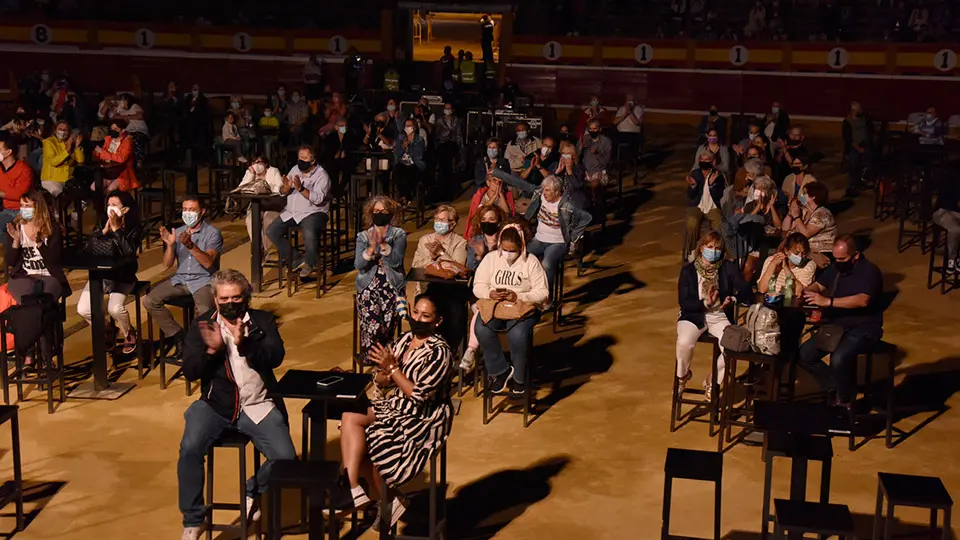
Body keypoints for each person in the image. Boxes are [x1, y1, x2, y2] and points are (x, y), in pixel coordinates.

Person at [178, 269, 294, 540]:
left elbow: (275, 356)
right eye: (225, 298)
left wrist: (245, 344)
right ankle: (194, 519)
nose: (231, 303)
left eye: (236, 297)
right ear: (216, 300)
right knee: (190, 448)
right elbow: (190, 371)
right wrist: (211, 351)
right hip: (215, 405)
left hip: (258, 404)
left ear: (246, 297)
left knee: (286, 458)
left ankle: (253, 489)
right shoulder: (202, 326)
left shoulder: (262, 321)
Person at [337, 292, 453, 529]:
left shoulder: (440, 352)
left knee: (372, 441)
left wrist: (392, 369)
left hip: (423, 417)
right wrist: (382, 373)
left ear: (437, 321)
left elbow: (418, 395)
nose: (418, 319)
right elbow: (385, 378)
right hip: (398, 406)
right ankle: (352, 488)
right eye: (416, 313)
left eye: (426, 316)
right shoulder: (406, 339)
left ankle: (389, 499)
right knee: (350, 417)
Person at [798, 236, 884, 408]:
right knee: (805, 355)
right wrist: (809, 291)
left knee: (839, 358)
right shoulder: (835, 268)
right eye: (835, 258)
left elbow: (862, 300)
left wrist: (828, 302)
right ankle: (837, 389)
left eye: (842, 258)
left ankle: (843, 400)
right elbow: (819, 285)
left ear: (856, 255)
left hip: (863, 327)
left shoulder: (870, 271)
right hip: (838, 326)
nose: (838, 262)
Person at [494, 171, 592, 305]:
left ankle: (547, 297)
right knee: (519, 255)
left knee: (546, 264)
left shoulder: (567, 205)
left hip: (558, 243)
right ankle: (523, 292)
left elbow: (586, 217)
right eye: (544, 189)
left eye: (548, 190)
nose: (544, 193)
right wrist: (497, 173)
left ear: (557, 191)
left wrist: (574, 236)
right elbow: (521, 183)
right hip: (539, 239)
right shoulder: (540, 194)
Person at [472, 225, 549, 395]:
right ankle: (500, 371)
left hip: (523, 307)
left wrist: (519, 296)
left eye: (512, 250)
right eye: (504, 249)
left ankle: (519, 378)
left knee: (517, 334)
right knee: (481, 328)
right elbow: (478, 285)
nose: (508, 253)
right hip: (497, 305)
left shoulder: (531, 262)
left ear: (521, 247)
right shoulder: (491, 259)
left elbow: (543, 292)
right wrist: (489, 293)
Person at [675, 232, 752, 399]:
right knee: (684, 342)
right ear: (702, 248)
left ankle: (712, 381)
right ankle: (683, 376)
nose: (713, 251)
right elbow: (684, 302)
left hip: (719, 316)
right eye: (710, 247)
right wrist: (704, 304)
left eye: (717, 248)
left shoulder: (728, 268)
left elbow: (746, 289)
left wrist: (734, 298)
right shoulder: (688, 271)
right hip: (693, 314)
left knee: (731, 347)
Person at [145, 195, 223, 353]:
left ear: (201, 212)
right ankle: (178, 335)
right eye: (185, 210)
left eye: (192, 210)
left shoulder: (212, 233)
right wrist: (170, 246)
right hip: (181, 279)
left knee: (204, 311)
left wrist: (190, 245)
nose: (187, 213)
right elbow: (166, 264)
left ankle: (197, 347)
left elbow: (208, 262)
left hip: (204, 280)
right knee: (150, 300)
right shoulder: (178, 232)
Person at [77, 191, 141, 354]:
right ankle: (108, 330)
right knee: (83, 309)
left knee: (115, 308)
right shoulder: (101, 223)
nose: (111, 209)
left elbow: (129, 252)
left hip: (123, 277)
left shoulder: (134, 228)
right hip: (101, 276)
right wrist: (103, 232)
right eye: (109, 205)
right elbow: (87, 249)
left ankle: (129, 332)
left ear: (125, 209)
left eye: (115, 205)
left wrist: (117, 230)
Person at [355, 196, 407, 364]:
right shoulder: (363, 236)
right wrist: (370, 249)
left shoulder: (399, 234)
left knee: (386, 324)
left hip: (391, 285)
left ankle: (384, 356)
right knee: (373, 323)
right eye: (376, 211)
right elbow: (359, 265)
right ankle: (375, 356)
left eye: (383, 211)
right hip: (368, 286)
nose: (379, 214)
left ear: (391, 214)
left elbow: (396, 261)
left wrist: (384, 245)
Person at [266, 146, 331, 280]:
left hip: (314, 212)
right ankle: (296, 259)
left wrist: (301, 188)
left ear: (313, 161)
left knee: (308, 230)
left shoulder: (322, 176)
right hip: (292, 212)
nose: (301, 161)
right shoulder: (295, 169)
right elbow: (284, 191)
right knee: (272, 231)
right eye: (299, 157)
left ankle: (310, 262)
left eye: (304, 158)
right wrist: (285, 188)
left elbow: (318, 199)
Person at [460, 204, 506, 371]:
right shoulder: (475, 241)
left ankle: (472, 350)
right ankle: (474, 352)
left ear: (499, 222)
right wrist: (479, 256)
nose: (488, 223)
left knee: (484, 314)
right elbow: (471, 269)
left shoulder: (506, 240)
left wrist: (487, 254)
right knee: (481, 311)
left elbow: (504, 267)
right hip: (479, 290)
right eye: (484, 220)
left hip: (501, 289)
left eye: (492, 219)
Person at [3, 191, 69, 303]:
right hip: (24, 275)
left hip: (49, 275)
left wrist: (40, 243)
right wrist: (16, 241)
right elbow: (11, 261)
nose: (24, 209)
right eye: (22, 205)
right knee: (28, 301)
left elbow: (55, 260)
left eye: (28, 206)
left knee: (44, 302)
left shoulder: (52, 228)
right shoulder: (16, 227)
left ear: (38, 207)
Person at [684, 149, 727, 258]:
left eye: (707, 160)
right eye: (702, 159)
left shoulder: (718, 175)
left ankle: (719, 252)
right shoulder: (695, 174)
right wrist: (693, 186)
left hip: (712, 206)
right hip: (697, 206)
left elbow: (719, 196)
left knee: (719, 224)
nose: (704, 161)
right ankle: (692, 250)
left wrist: (711, 185)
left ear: (712, 162)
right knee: (692, 223)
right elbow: (690, 195)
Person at [236, 155, 284, 250]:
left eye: (260, 162)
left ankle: (266, 250)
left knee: (268, 221)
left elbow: (279, 188)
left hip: (272, 205)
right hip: (257, 206)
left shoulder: (273, 171)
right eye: (254, 162)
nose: (257, 165)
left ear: (266, 164)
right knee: (251, 221)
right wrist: (251, 175)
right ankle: (257, 248)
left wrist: (266, 187)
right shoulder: (249, 172)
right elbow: (241, 188)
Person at [783, 181, 835, 266]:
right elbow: (786, 230)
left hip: (820, 254)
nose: (802, 196)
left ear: (813, 197)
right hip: (804, 251)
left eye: (804, 193)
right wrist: (791, 213)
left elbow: (805, 234)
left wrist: (796, 216)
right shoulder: (807, 212)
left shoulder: (822, 213)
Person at [466, 162, 515, 239]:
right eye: (494, 180)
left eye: (500, 182)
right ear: (488, 182)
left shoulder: (506, 195)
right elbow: (480, 212)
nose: (497, 184)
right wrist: (494, 197)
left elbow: (507, 215)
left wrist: (501, 195)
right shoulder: (480, 195)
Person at [0, 134, 35, 236]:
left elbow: (19, 194)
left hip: (23, 210)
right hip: (6, 210)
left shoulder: (24, 170)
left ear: (9, 152)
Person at [40, 121, 84, 198]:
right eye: (60, 129)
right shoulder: (48, 142)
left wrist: (77, 146)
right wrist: (67, 150)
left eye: (65, 129)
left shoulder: (70, 142)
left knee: (81, 195)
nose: (63, 131)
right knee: (60, 197)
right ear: (55, 130)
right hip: (52, 179)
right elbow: (54, 162)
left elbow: (80, 161)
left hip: (67, 179)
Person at [94, 118, 139, 193]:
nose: (113, 131)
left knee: (110, 189)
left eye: (116, 129)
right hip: (108, 171)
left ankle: (111, 203)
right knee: (95, 187)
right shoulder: (108, 139)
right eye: (112, 128)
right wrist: (97, 152)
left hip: (122, 172)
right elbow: (101, 156)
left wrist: (103, 153)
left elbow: (122, 158)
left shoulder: (127, 141)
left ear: (123, 130)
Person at [842, 101, 874, 197]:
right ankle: (854, 184)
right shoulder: (847, 122)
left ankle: (866, 178)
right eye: (859, 109)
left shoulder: (864, 118)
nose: (861, 110)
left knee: (871, 158)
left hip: (865, 143)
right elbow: (848, 139)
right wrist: (859, 148)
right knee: (854, 161)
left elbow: (870, 131)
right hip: (854, 146)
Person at [393, 119, 426, 205]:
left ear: (414, 127)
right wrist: (403, 147)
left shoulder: (419, 139)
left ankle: (406, 197)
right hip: (403, 163)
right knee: (398, 170)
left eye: (410, 125)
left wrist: (410, 147)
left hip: (415, 164)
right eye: (406, 126)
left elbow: (419, 155)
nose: (408, 128)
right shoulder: (401, 138)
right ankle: (403, 196)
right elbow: (397, 153)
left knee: (409, 173)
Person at [580, 120, 612, 209]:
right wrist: (580, 147)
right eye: (590, 129)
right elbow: (577, 157)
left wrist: (597, 153)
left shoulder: (606, 141)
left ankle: (596, 207)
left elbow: (606, 160)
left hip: (600, 171)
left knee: (595, 185)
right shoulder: (585, 139)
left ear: (599, 129)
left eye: (595, 129)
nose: (592, 131)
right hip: (585, 171)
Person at [434, 102, 464, 194]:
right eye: (446, 108)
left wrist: (460, 145)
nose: (448, 110)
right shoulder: (439, 121)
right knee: (444, 162)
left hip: (453, 145)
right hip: (443, 145)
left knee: (452, 161)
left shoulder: (457, 120)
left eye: (449, 108)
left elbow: (459, 135)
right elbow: (437, 135)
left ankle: (452, 187)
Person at [112, 94, 149, 167]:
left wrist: (125, 116)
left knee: (136, 138)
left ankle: (139, 161)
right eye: (121, 100)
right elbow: (114, 116)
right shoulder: (122, 110)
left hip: (140, 129)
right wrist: (117, 108)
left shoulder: (134, 106)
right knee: (121, 139)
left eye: (124, 100)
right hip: (130, 129)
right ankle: (123, 160)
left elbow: (140, 116)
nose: (122, 102)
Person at [322, 118, 359, 190]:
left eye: (345, 126)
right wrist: (338, 153)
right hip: (332, 161)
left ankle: (340, 190)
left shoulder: (350, 137)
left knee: (348, 170)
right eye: (341, 126)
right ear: (336, 127)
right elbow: (328, 152)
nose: (344, 128)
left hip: (346, 161)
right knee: (332, 168)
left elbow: (352, 148)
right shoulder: (330, 138)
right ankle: (335, 192)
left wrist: (345, 152)